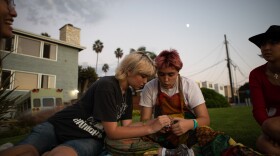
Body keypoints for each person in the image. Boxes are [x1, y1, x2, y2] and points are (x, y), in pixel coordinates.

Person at [0, 52, 172, 156]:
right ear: (128, 70)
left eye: (147, 77)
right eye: (142, 75)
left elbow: (127, 126)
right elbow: (112, 132)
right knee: (26, 151)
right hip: (60, 125)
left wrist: (152, 123)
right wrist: (150, 128)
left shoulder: (128, 94)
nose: (145, 81)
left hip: (89, 138)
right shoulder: (107, 85)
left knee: (60, 154)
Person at [140, 49, 210, 155]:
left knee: (206, 133)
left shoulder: (189, 85)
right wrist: (156, 125)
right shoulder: (150, 87)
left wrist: (189, 124)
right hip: (161, 134)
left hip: (187, 132)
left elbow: (205, 119)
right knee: (138, 136)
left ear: (178, 72)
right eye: (161, 74)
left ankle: (167, 152)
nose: (166, 79)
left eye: (171, 74)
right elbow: (144, 121)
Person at [249, 25, 280, 155]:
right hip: (274, 125)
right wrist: (271, 133)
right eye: (263, 44)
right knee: (262, 143)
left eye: (273, 43)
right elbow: (258, 109)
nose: (266, 48)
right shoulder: (256, 74)